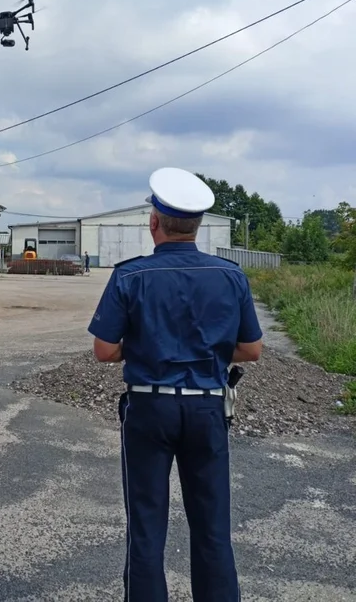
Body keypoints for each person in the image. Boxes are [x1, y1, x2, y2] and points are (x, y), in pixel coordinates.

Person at [87, 167, 263, 602]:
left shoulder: (130, 276)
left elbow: (105, 350)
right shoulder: (230, 275)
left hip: (149, 409)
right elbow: (252, 349)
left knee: (147, 528)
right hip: (207, 408)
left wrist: (145, 347)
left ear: (153, 222)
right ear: (198, 226)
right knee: (212, 528)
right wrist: (211, 352)